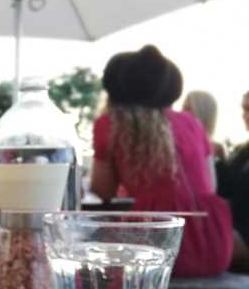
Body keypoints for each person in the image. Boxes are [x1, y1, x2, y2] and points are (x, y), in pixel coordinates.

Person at [91, 45, 231, 277]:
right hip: (214, 240)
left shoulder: (112, 124)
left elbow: (103, 190)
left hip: (158, 240)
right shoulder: (192, 123)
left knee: (87, 255)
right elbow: (211, 185)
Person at [215, 90, 249, 270]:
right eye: (244, 109)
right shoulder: (242, 153)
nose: (244, 115)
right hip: (234, 231)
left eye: (248, 109)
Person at [183, 90, 225, 160]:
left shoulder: (215, 150)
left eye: (188, 110)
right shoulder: (173, 143)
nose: (182, 113)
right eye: (183, 108)